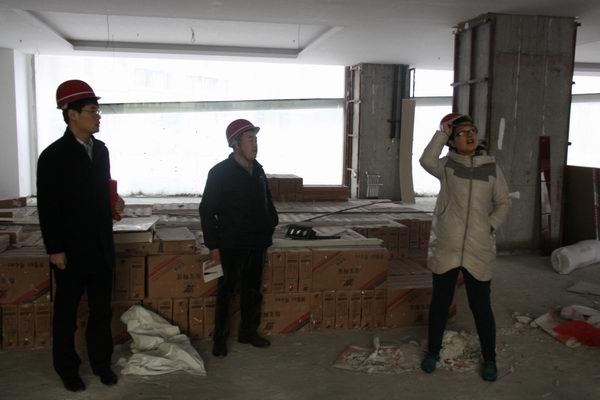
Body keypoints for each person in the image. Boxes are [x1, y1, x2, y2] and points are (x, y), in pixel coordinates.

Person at [37, 79, 124, 392]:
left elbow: (101, 189)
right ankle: (67, 368)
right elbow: (48, 207)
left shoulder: (101, 150)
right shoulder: (53, 156)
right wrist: (55, 248)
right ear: (71, 114)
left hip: (100, 246)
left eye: (98, 111)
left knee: (101, 310)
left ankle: (101, 364)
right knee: (67, 313)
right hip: (70, 250)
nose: (98, 117)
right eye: (92, 111)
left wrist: (114, 202)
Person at [418, 113, 511, 381]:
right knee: (440, 304)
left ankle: (490, 358)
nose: (469, 135)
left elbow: (503, 203)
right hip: (447, 245)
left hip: (478, 248)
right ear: (452, 140)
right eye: (462, 132)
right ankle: (433, 353)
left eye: (472, 131)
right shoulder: (446, 166)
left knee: (481, 306)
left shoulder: (491, 166)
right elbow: (426, 160)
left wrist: (489, 225)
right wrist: (442, 133)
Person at [199, 118, 279, 358]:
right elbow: (206, 210)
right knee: (226, 291)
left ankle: (248, 332)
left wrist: (271, 222)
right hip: (230, 245)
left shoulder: (258, 170)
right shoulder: (219, 173)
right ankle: (220, 339)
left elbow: (267, 200)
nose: (255, 144)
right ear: (235, 143)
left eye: (256, 139)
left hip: (257, 243)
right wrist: (213, 246)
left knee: (252, 291)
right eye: (250, 139)